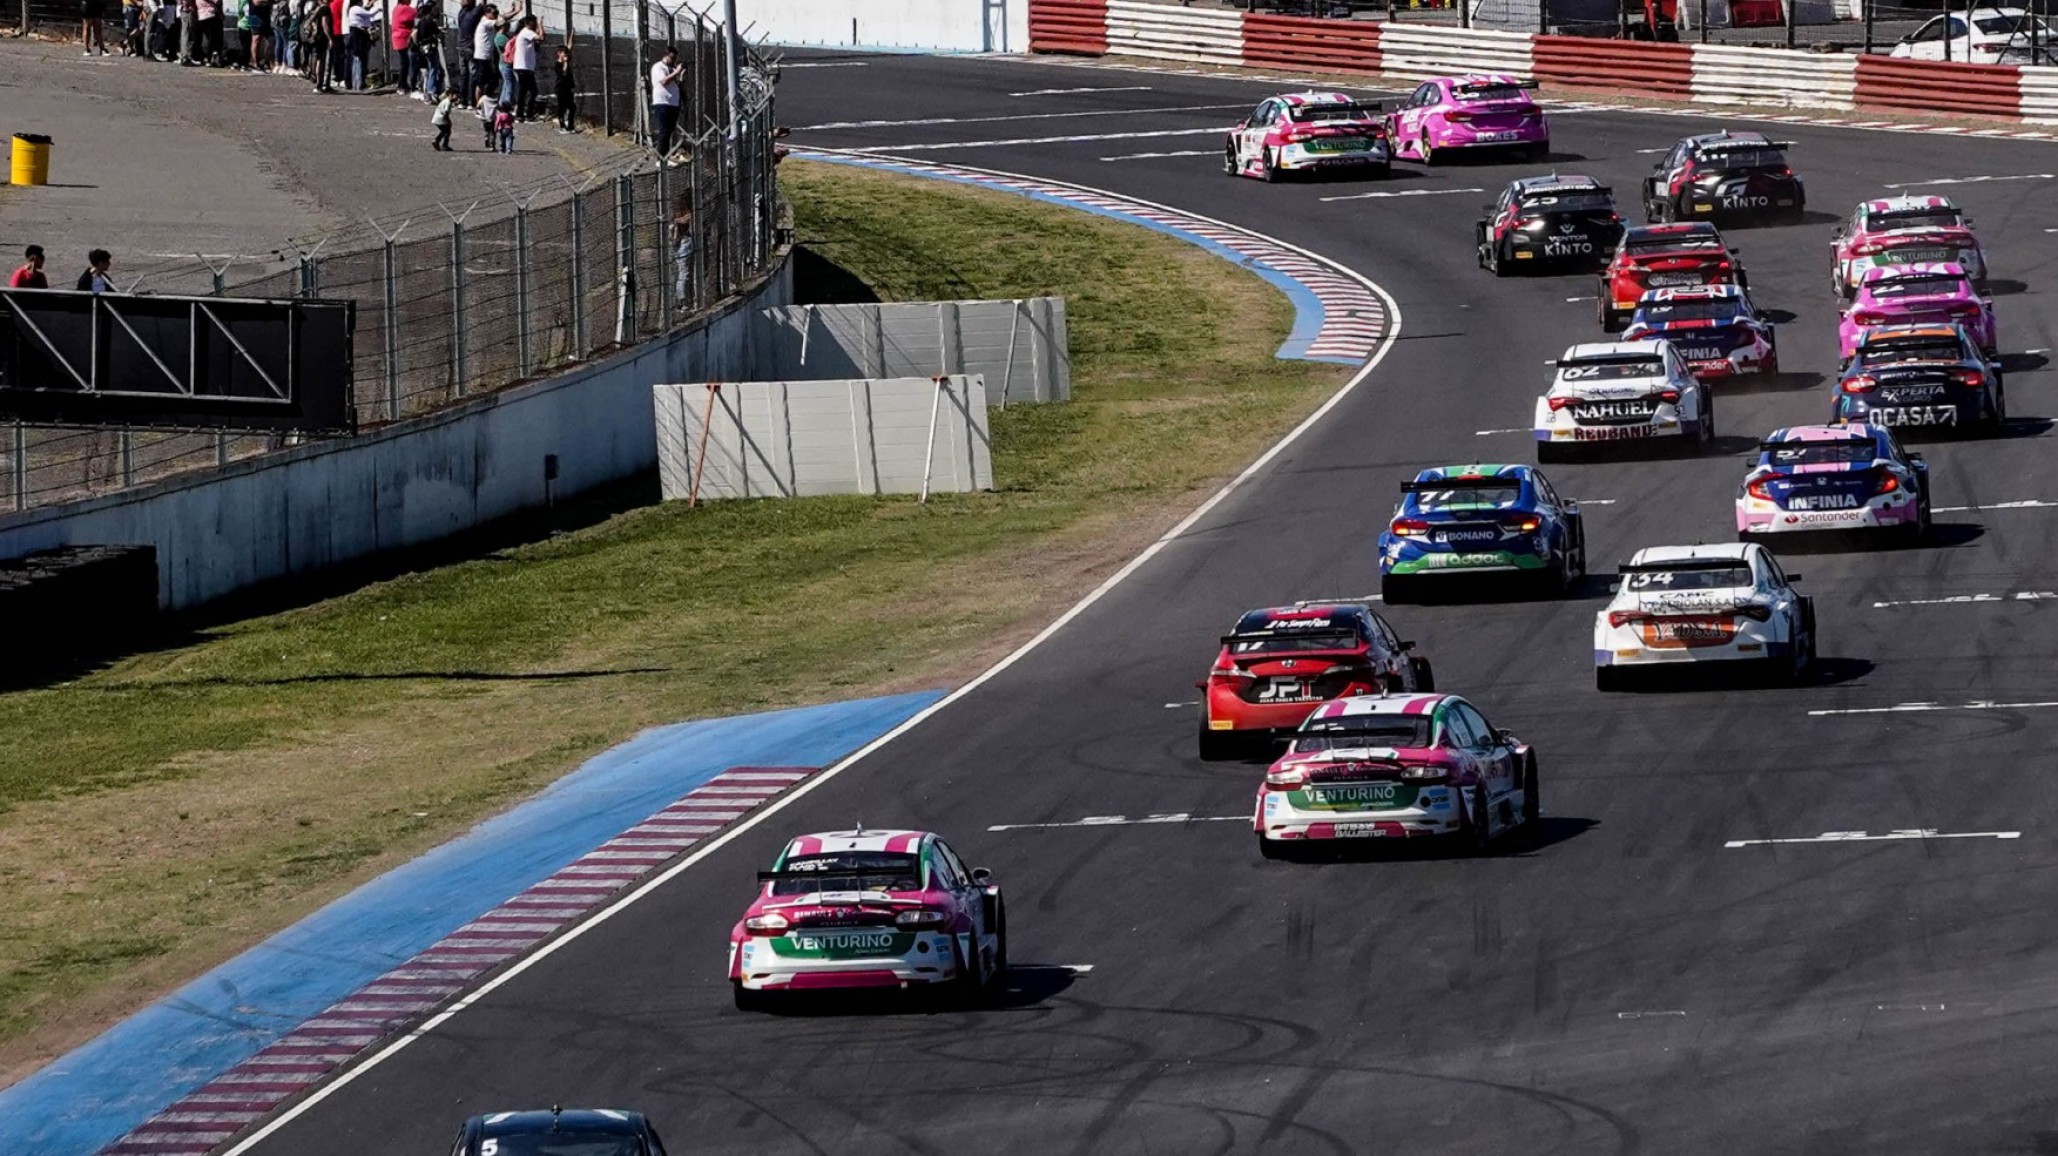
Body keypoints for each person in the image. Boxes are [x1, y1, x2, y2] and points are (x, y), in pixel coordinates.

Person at [649, 45, 682, 161]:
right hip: (662, 103)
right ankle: (660, 158)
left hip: (673, 103)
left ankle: (666, 155)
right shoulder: (658, 67)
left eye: (675, 59)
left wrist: (680, 74)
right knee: (664, 130)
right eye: (671, 58)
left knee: (669, 130)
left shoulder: (672, 69)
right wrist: (676, 71)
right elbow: (664, 81)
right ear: (665, 56)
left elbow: (677, 82)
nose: (673, 61)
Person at [510, 14, 539, 121]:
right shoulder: (527, 32)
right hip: (523, 67)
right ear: (528, 23)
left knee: (526, 91)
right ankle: (524, 114)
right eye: (534, 22)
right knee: (529, 91)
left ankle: (523, 113)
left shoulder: (525, 33)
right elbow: (541, 37)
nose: (535, 24)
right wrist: (540, 25)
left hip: (525, 66)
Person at [344, 0, 377, 89]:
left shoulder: (354, 9)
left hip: (359, 34)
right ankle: (358, 83)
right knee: (359, 58)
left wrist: (368, 6)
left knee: (359, 59)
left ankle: (357, 82)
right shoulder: (355, 8)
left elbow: (364, 12)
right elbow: (370, 14)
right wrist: (379, 8)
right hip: (358, 35)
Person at [453, 0, 480, 104]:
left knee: (464, 74)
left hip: (461, 46)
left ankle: (463, 100)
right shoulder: (474, 13)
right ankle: (471, 100)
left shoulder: (461, 13)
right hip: (470, 46)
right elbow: (482, 5)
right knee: (473, 73)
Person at [669, 194, 692, 306]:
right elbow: (685, 220)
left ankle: (682, 298)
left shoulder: (672, 217)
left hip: (677, 245)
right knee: (683, 273)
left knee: (681, 272)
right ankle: (682, 299)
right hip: (682, 243)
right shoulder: (680, 218)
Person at [389, 0, 415, 92]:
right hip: (402, 37)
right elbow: (414, 15)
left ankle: (403, 83)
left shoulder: (396, 8)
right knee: (405, 63)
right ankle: (401, 84)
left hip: (398, 37)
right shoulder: (404, 8)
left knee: (404, 62)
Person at [551, 42, 575, 133]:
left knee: (572, 107)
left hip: (568, 88)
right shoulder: (557, 65)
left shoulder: (567, 61)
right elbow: (563, 74)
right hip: (560, 88)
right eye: (563, 53)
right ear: (559, 53)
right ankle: (562, 126)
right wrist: (565, 62)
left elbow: (570, 46)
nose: (566, 55)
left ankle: (571, 126)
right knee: (562, 108)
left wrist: (572, 35)